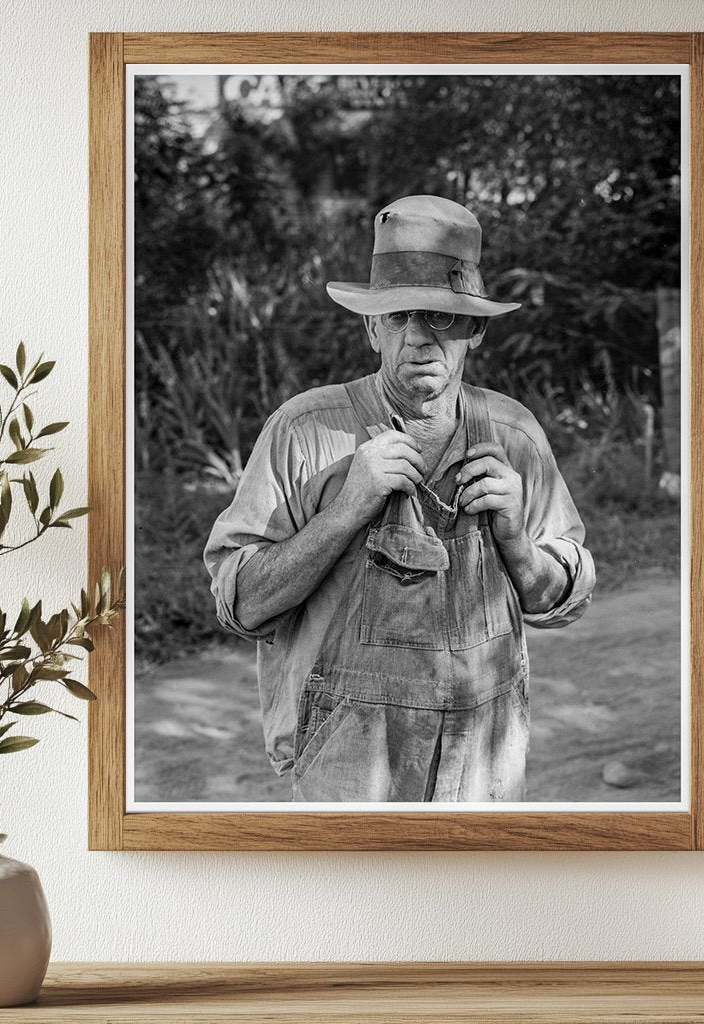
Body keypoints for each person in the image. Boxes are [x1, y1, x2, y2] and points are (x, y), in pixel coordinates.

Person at [203, 194, 596, 802]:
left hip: (484, 772)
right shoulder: (305, 432)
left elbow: (562, 600)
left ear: (475, 329)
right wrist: (346, 510)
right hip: (349, 773)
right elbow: (242, 605)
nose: (418, 338)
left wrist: (518, 541)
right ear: (371, 328)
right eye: (398, 316)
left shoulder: (514, 437)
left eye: (440, 317)